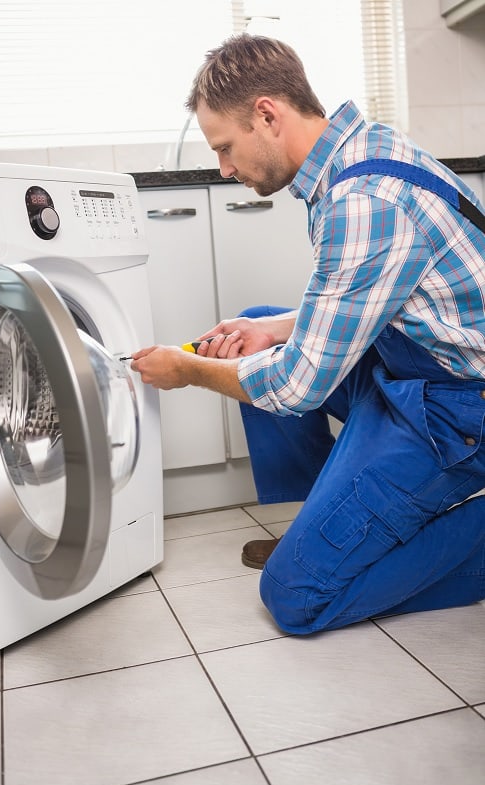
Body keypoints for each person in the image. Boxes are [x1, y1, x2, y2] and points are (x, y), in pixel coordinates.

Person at [131, 33, 485, 635]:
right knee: (261, 327)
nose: (223, 167)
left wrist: (188, 370)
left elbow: (297, 386)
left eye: (225, 146)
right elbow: (382, 297)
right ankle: (320, 528)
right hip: (414, 368)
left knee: (299, 597)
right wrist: (272, 326)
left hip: (459, 408)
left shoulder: (362, 199)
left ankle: (339, 555)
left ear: (267, 115)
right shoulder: (356, 149)